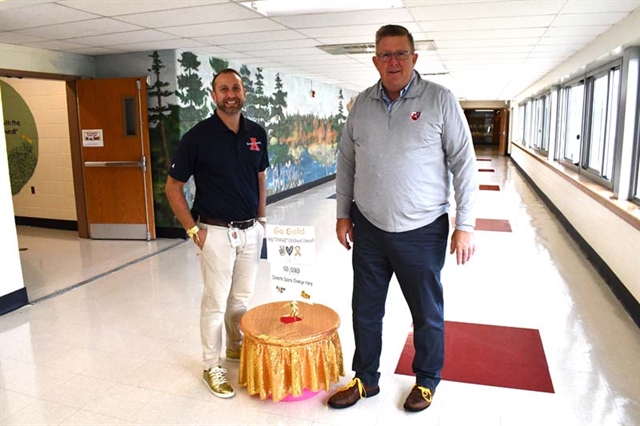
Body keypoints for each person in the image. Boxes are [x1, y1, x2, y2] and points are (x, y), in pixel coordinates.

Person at [328, 24, 478, 412]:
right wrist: (343, 214)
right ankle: (365, 379)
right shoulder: (361, 104)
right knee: (365, 309)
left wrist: (465, 225)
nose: (393, 61)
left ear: (414, 57)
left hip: (423, 230)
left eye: (400, 53)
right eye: (385, 54)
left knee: (427, 313)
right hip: (370, 229)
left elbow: (464, 164)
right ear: (375, 60)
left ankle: (427, 380)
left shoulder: (440, 100)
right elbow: (346, 162)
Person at [165, 68, 268, 399]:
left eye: (235, 87)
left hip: (251, 231)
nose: (230, 94)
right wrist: (192, 229)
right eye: (223, 89)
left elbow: (261, 177)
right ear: (213, 96)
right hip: (215, 232)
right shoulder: (197, 137)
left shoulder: (256, 133)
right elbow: (173, 187)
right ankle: (212, 365)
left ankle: (235, 348)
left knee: (241, 298)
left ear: (243, 92)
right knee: (215, 301)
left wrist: (262, 220)